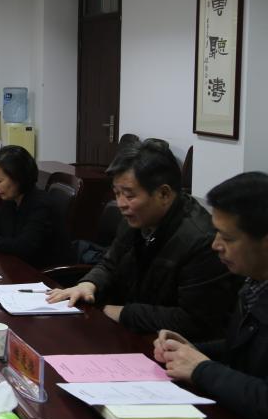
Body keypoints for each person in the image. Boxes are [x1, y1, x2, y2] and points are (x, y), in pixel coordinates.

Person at [47, 140, 239, 340]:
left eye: (129, 195)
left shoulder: (201, 241)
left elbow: (193, 321)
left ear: (164, 194)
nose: (120, 204)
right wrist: (89, 284)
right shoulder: (136, 219)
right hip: (130, 333)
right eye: (117, 193)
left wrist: (123, 313)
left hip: (169, 345)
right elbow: (111, 263)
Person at [154, 172, 268, 419]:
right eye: (216, 232)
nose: (215, 245)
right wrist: (190, 350)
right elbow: (245, 350)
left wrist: (201, 369)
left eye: (227, 238)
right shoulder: (253, 281)